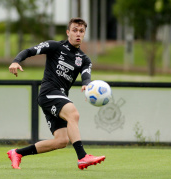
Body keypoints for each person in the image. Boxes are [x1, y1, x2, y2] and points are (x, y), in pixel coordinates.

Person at [7, 18, 105, 170]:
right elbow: (29, 51)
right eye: (74, 30)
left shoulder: (84, 59)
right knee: (73, 114)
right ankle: (82, 157)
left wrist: (86, 85)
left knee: (61, 141)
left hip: (58, 96)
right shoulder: (55, 46)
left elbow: (86, 74)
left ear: (84, 34)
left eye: (81, 31)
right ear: (68, 32)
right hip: (48, 92)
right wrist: (16, 61)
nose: (78, 34)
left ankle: (17, 153)